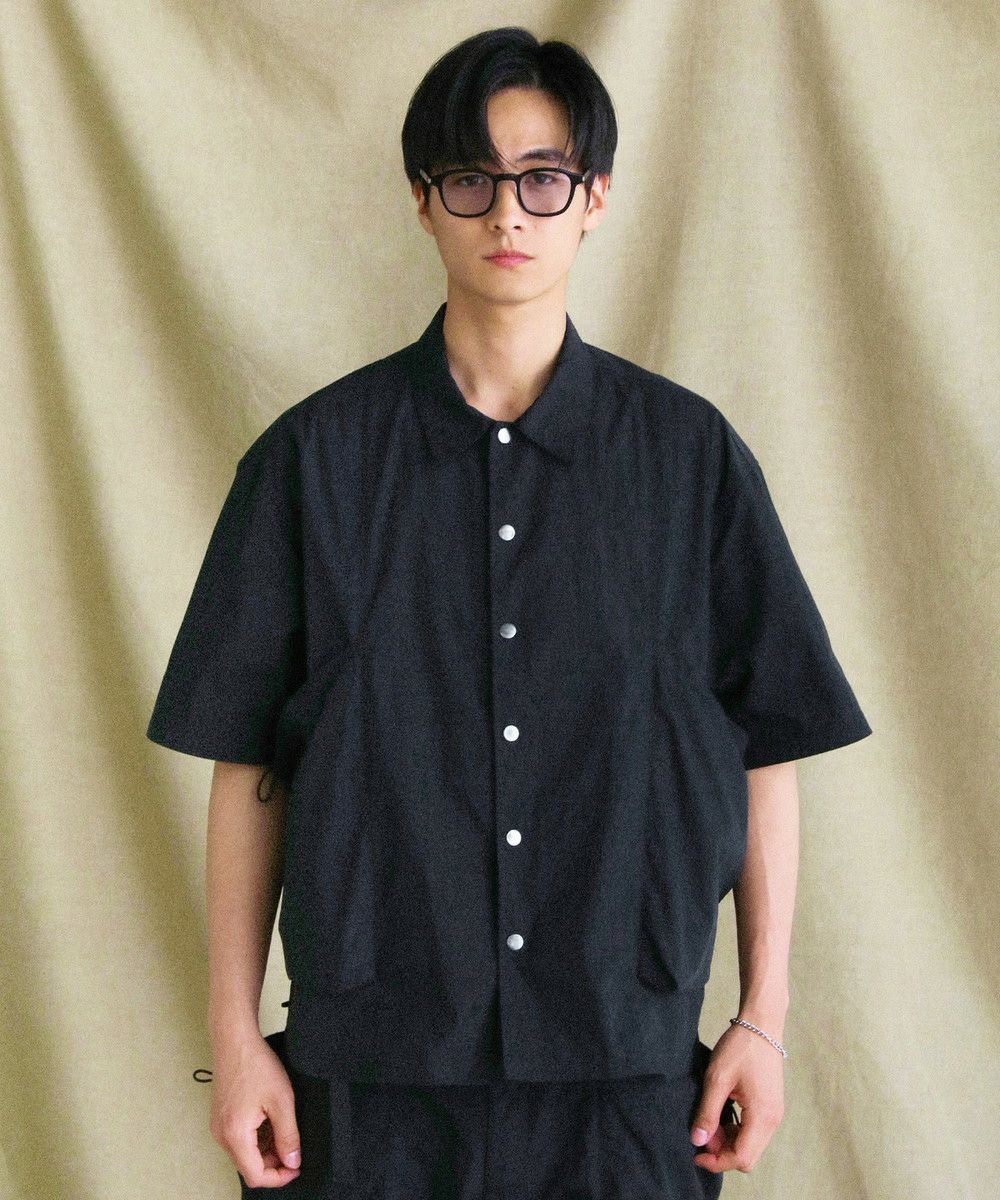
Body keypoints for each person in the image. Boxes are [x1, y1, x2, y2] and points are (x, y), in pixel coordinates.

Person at [147, 25, 872, 1199]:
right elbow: (250, 769)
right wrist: (234, 1039)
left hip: (628, 1077)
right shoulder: (313, 464)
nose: (506, 214)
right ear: (422, 202)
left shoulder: (688, 462)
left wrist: (763, 1017)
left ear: (594, 198)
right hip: (370, 1077)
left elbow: (762, 752)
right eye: (470, 180)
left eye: (542, 178)